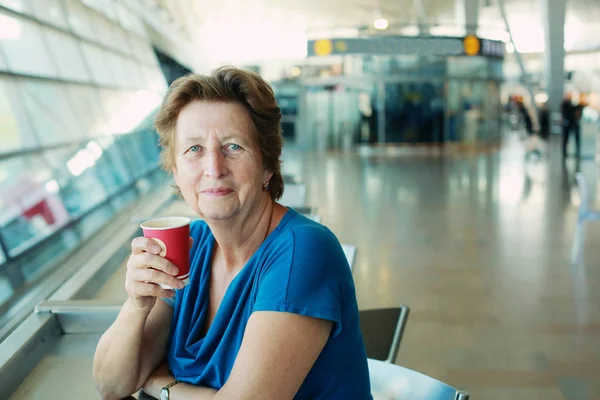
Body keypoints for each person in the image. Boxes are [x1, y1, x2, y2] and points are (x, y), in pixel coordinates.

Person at [92, 67, 372, 400]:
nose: (214, 168)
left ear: (267, 164)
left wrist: (161, 385)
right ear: (176, 170)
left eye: (233, 147)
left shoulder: (304, 251)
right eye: (194, 149)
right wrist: (137, 305)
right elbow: (111, 386)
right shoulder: (190, 247)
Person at [562, 93, 582, 158]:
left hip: (572, 123)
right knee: (566, 138)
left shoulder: (571, 105)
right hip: (567, 124)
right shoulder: (565, 104)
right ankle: (564, 152)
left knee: (576, 138)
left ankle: (577, 152)